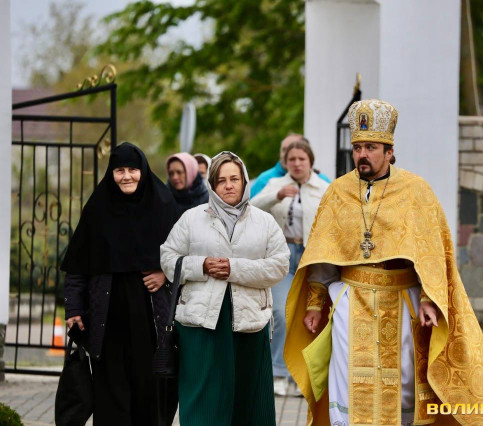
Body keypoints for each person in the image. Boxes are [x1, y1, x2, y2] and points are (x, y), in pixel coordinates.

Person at [284, 100, 483, 425]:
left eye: (371, 148)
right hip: (351, 305)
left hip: (401, 303)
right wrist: (314, 304)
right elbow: (324, 256)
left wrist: (429, 299)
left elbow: (432, 254)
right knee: (347, 386)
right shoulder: (337, 192)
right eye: (358, 148)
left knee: (404, 389)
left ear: (389, 151)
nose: (362, 154)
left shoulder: (416, 191)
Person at [160, 151, 289, 426]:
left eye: (234, 179)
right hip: (200, 324)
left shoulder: (264, 222)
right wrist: (202, 266)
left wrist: (234, 269)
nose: (229, 186)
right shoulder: (191, 219)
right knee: (203, 401)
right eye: (221, 180)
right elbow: (168, 260)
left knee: (249, 401)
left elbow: (279, 265)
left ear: (244, 181)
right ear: (212, 185)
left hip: (249, 322)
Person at [62, 142, 180, 426]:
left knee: (149, 388)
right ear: (111, 173)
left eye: (132, 170)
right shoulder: (98, 208)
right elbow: (78, 265)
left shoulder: (163, 205)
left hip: (150, 317)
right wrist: (74, 308)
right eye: (119, 170)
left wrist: (164, 274)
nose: (126, 176)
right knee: (110, 390)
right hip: (106, 318)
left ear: (143, 171)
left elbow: (185, 255)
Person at [252, 141, 330, 396]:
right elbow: (251, 207)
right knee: (280, 312)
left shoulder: (323, 187)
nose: (296, 164)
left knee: (310, 314)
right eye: (292, 159)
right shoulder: (276, 184)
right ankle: (278, 372)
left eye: (301, 159)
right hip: (282, 255)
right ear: (285, 162)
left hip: (311, 258)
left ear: (310, 162)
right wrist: (276, 196)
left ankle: (303, 374)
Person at [250, 134, 331, 198]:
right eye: (284, 150)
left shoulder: (322, 180)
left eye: (291, 148)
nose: (286, 154)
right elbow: (250, 207)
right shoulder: (265, 179)